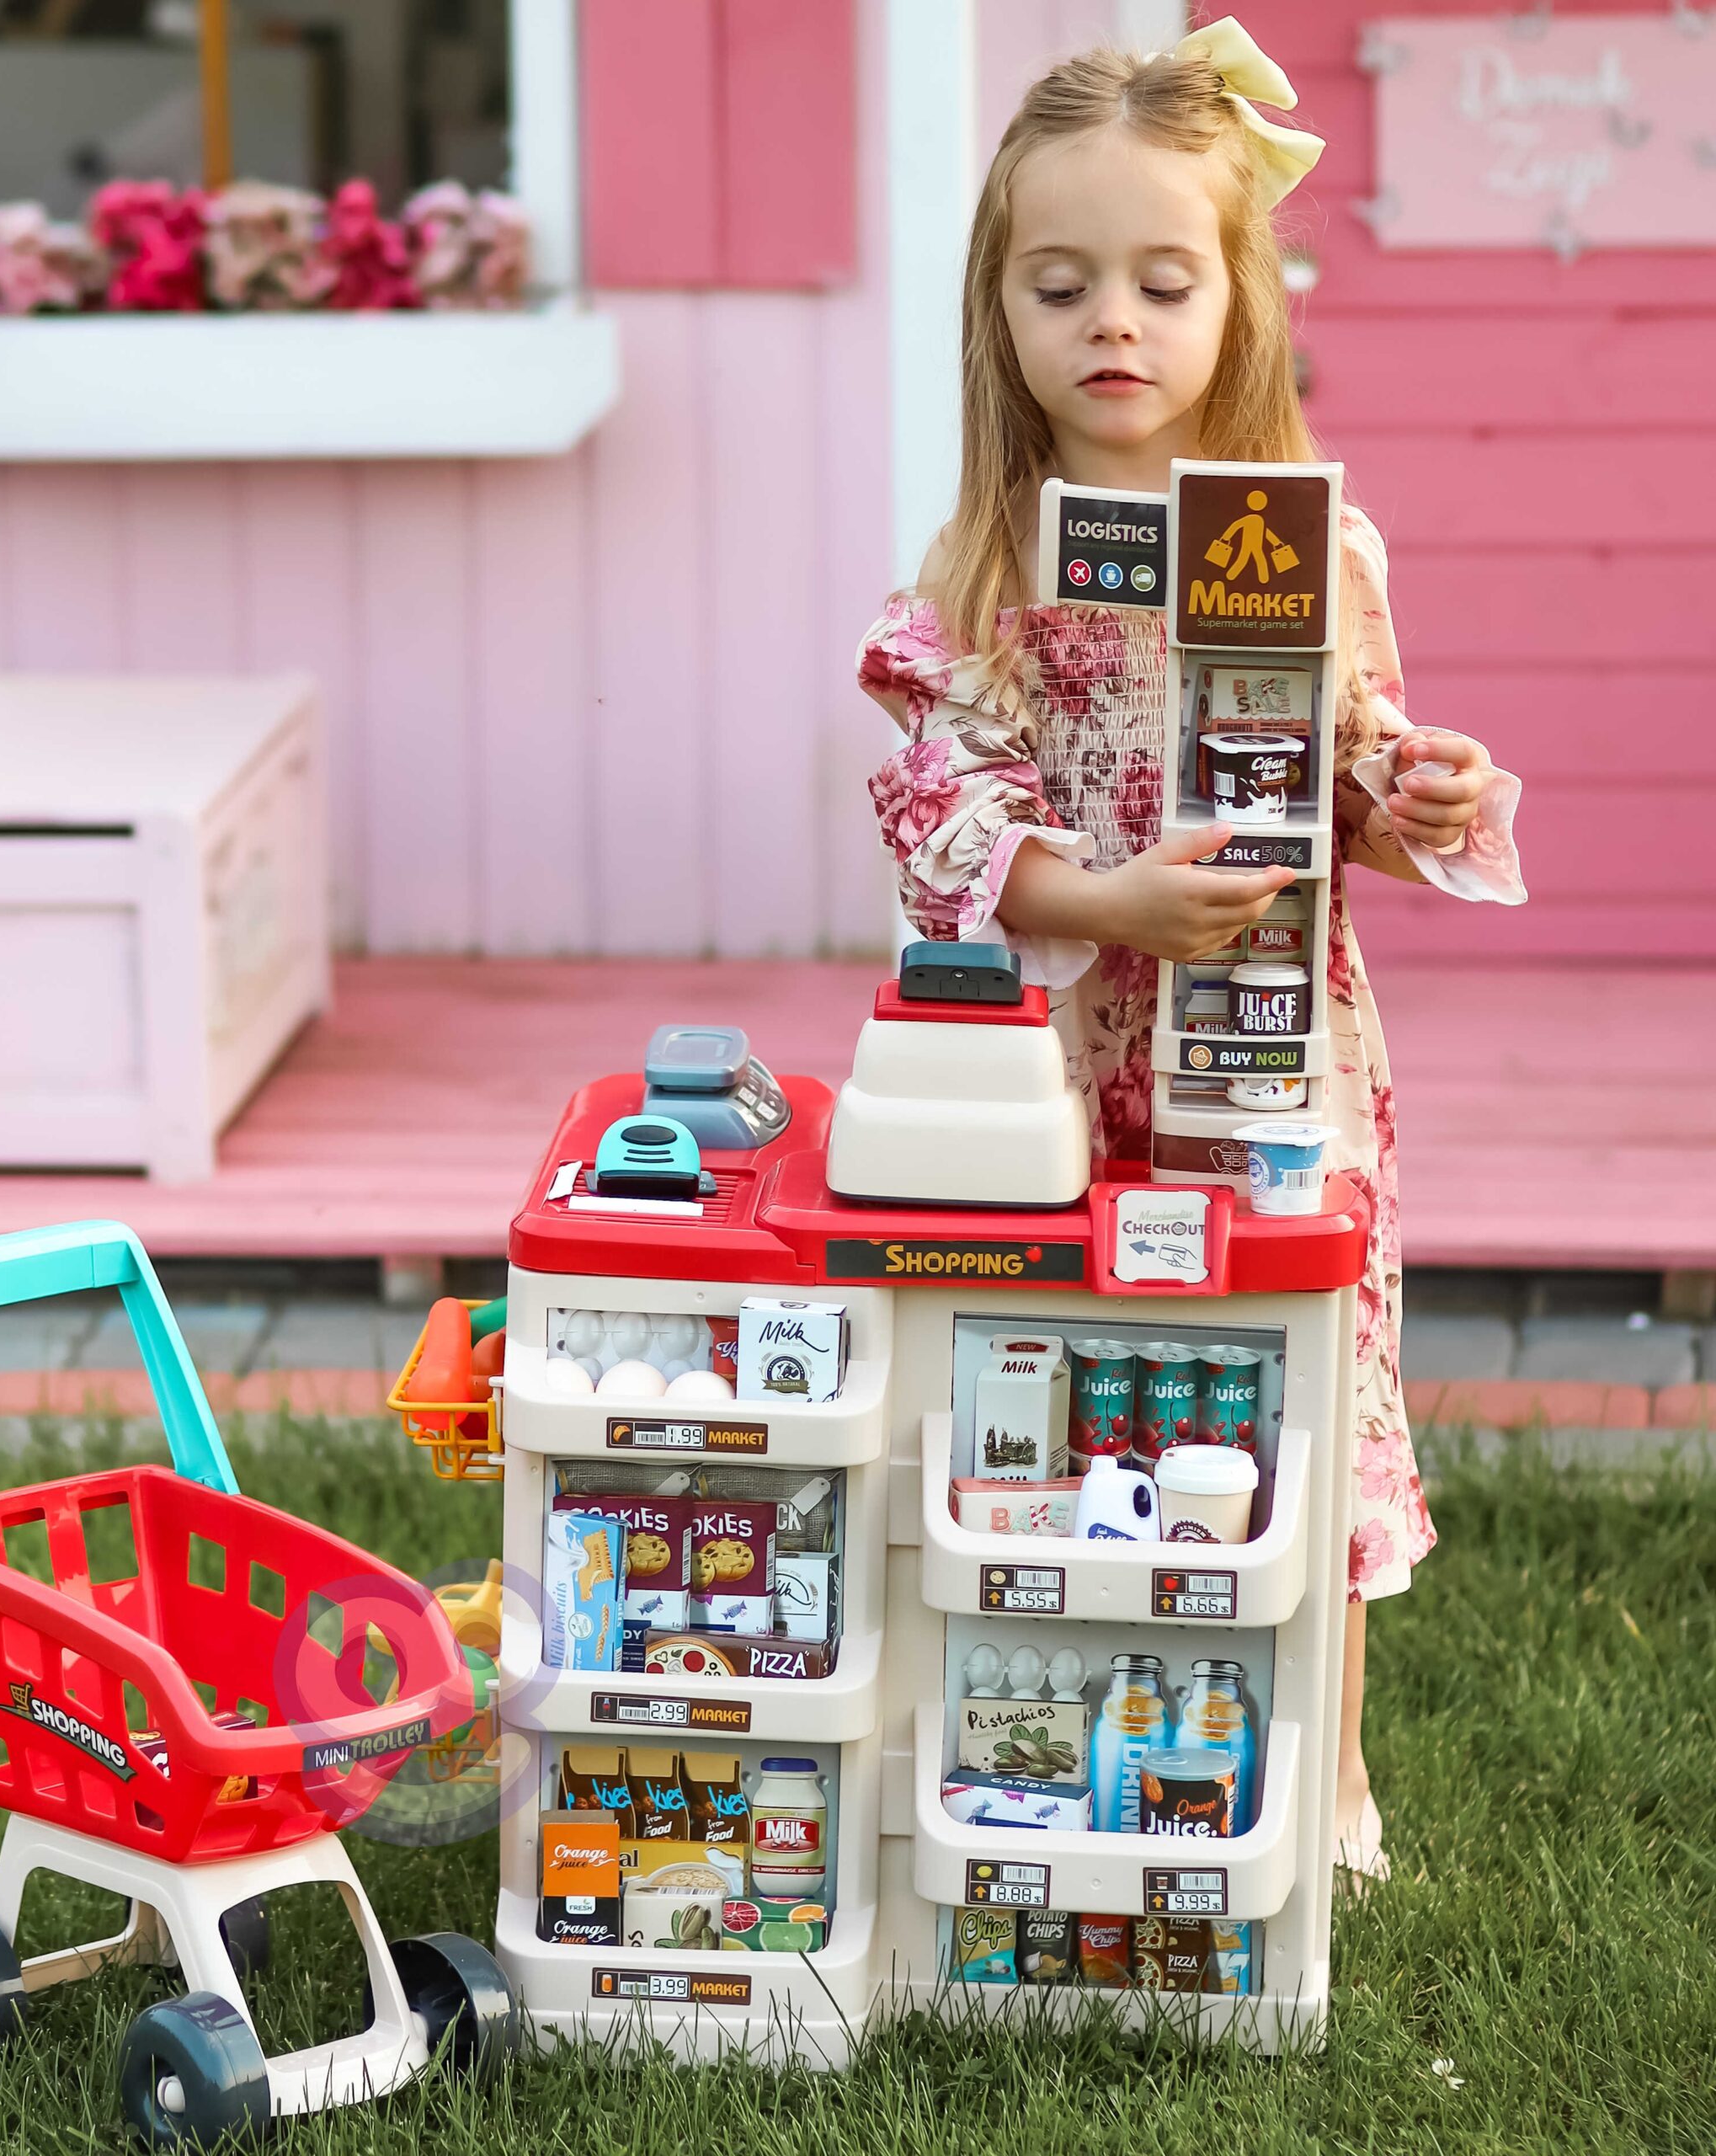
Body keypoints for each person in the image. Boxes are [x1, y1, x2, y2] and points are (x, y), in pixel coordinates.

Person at [857, 19, 1526, 1882]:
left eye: (1163, 279)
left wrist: (1420, 783)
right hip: (1063, 1070)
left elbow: (1360, 773)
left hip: (1274, 1056)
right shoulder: (982, 565)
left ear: (1239, 298)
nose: (1111, 323)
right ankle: (1049, 1720)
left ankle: (1321, 1766)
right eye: (1057, 282)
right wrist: (1095, 900)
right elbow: (940, 808)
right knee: (1069, 1378)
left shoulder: (1312, 550)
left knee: (1297, 1372)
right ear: (996, 303)